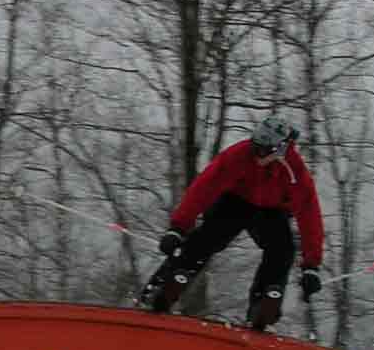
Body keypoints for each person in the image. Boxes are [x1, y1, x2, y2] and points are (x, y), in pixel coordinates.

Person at [138, 114, 326, 331]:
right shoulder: (240, 154)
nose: (258, 155)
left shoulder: (295, 172)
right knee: (209, 235)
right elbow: (203, 187)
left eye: (264, 151)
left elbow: (310, 215)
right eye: (256, 147)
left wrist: (311, 265)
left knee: (282, 248)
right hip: (235, 202)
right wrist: (178, 228)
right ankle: (162, 285)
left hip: (272, 212)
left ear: (281, 149)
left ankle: (262, 302)